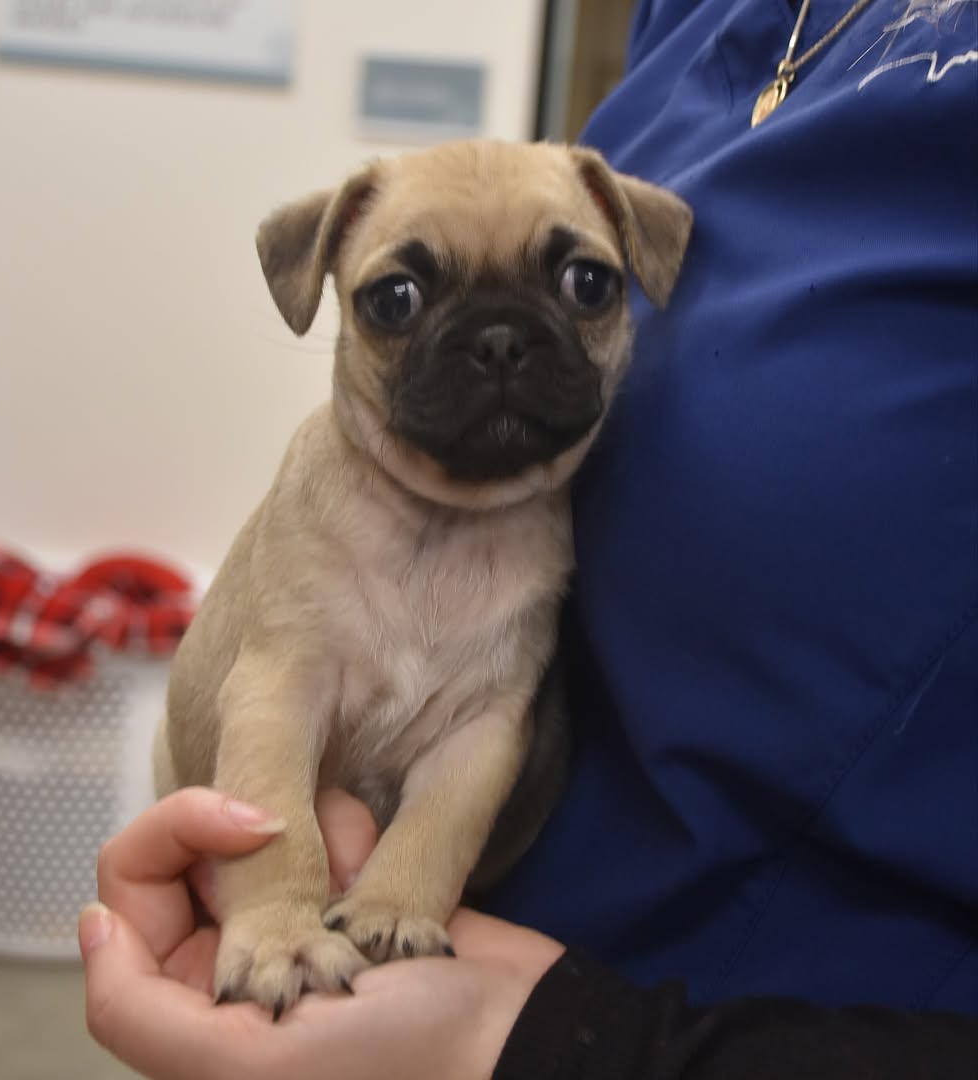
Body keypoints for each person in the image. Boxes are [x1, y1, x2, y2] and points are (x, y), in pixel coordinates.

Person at [81, 0, 978, 1074]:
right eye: (402, 298)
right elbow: (275, 693)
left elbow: (480, 727)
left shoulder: (538, 529)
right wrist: (274, 909)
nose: (501, 345)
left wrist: (417, 922)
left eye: (583, 284)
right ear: (316, 283)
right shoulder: (702, 17)